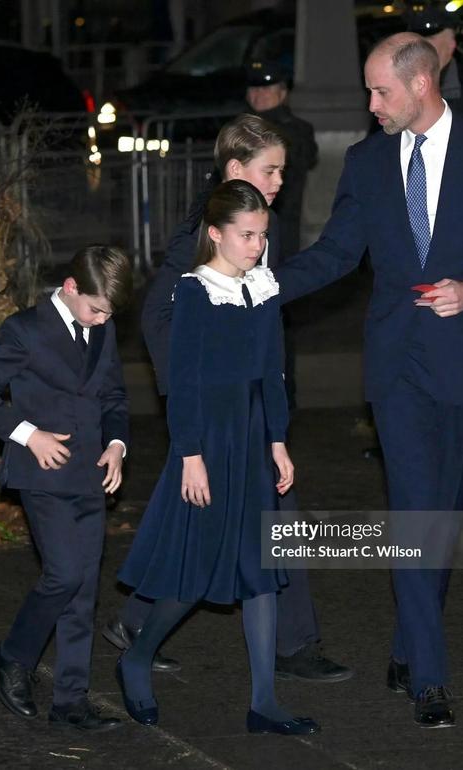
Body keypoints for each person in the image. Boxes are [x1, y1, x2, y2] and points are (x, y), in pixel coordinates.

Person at [274, 33, 463, 728]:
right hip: (397, 367)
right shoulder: (369, 163)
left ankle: (407, 647)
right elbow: (339, 253)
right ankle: (429, 680)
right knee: (414, 520)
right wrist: (254, 285)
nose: (371, 105)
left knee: (442, 522)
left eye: (381, 92)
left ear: (423, 85)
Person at [104, 114, 352, 684]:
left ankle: (141, 623)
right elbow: (161, 315)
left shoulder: (259, 226)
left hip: (251, 403)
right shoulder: (206, 230)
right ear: (237, 170)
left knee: (229, 523)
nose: (281, 181)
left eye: (284, 171)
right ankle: (288, 646)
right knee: (235, 523)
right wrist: (191, 401)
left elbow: (266, 297)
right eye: (272, 170)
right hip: (215, 408)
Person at [115, 180, 320, 736]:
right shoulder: (196, 293)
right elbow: (182, 385)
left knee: (260, 571)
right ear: (215, 234)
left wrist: (278, 441)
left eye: (262, 235)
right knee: (193, 571)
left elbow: (273, 370)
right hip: (209, 439)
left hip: (254, 440)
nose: (256, 244)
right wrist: (191, 455)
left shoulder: (265, 288)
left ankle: (264, 702)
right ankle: (137, 655)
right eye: (246, 234)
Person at [0, 245, 132, 732]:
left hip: (90, 476)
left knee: (83, 588)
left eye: (109, 314)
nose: (101, 321)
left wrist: (117, 443)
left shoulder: (104, 328)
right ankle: (12, 655)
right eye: (96, 309)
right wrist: (28, 434)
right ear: (72, 287)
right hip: (41, 475)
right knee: (62, 575)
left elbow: (115, 394)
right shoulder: (25, 330)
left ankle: (71, 700)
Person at [245, 60, 319, 409]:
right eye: (254, 88)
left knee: (275, 318)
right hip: (242, 237)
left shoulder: (293, 131)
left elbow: (300, 158)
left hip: (279, 238)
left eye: (267, 88)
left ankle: (280, 398)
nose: (259, 95)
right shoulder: (243, 128)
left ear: (283, 92)